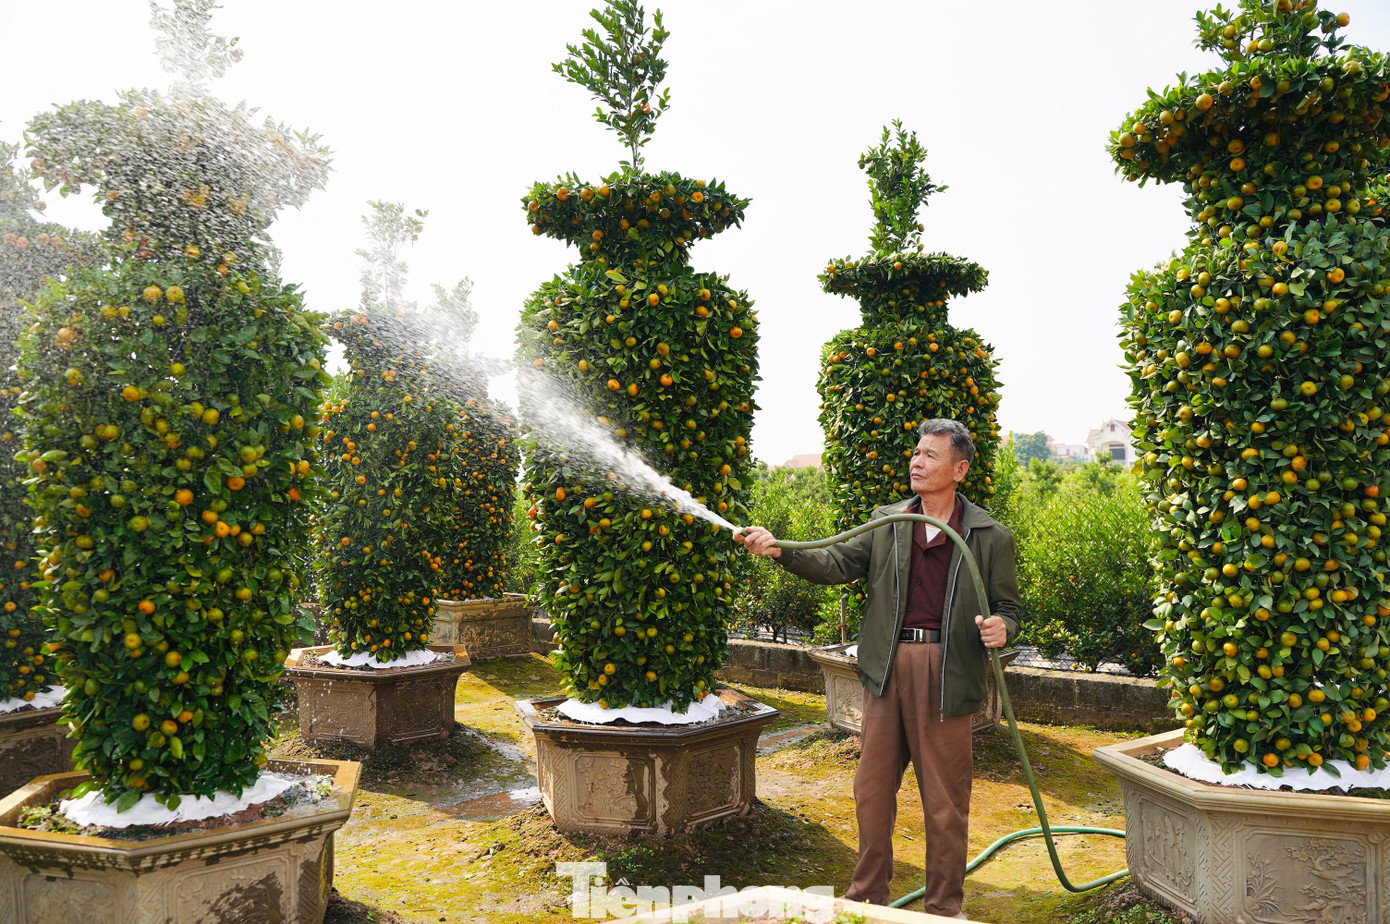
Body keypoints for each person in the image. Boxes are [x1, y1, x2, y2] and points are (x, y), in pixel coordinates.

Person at [736, 418, 1020, 919]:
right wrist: (781, 551)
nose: (917, 462)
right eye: (916, 452)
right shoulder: (888, 521)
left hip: (947, 673)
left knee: (945, 802)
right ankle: (866, 898)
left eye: (930, 455)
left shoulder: (989, 535)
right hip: (886, 669)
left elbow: (1009, 608)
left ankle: (942, 908)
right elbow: (836, 563)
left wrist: (1003, 627)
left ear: (959, 469)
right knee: (871, 791)